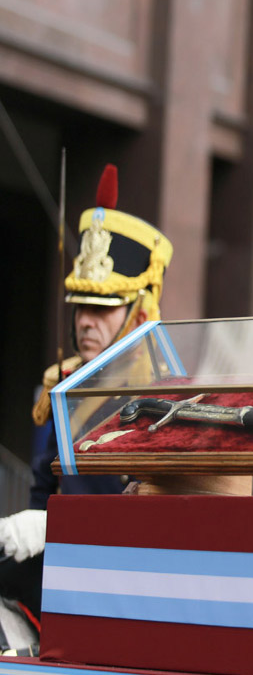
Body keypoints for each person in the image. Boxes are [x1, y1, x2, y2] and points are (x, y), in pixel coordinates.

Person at [0, 163, 173, 628]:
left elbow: (152, 520)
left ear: (139, 310)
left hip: (132, 593)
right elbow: (45, 488)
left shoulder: (164, 398)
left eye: (101, 308)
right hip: (63, 583)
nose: (85, 321)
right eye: (80, 306)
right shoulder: (66, 386)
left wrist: (52, 526)